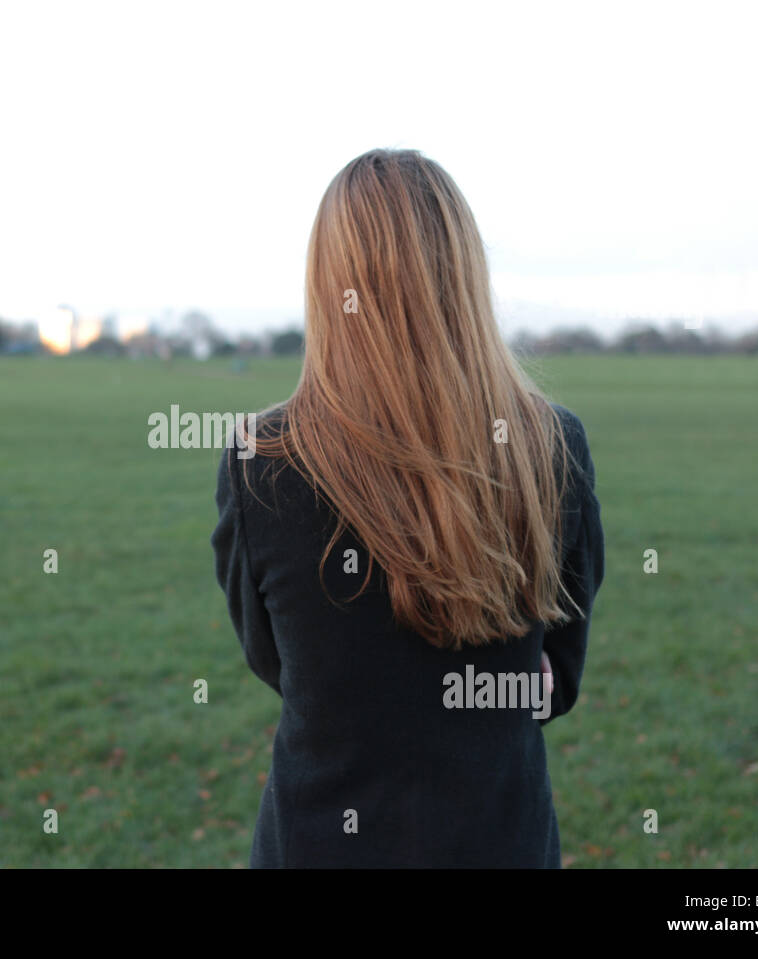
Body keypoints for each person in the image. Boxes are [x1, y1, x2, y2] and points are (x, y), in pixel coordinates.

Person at [211, 148, 604, 868]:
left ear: (326, 284)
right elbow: (558, 678)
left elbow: (277, 663)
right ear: (463, 272)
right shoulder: (551, 444)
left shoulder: (258, 461)